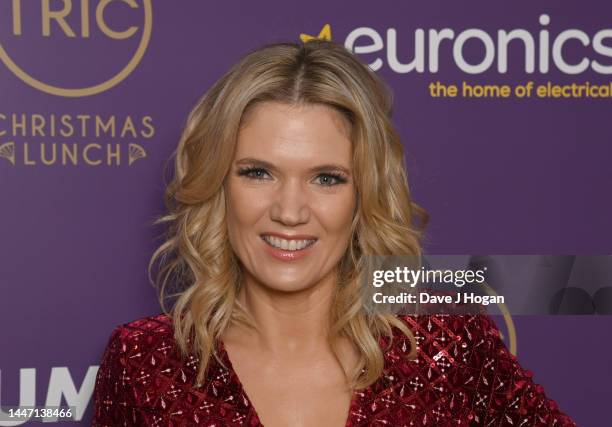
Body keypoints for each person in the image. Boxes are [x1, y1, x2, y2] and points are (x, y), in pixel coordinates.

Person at [91, 40, 575, 426]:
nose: (290, 211)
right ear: (219, 183)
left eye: (326, 178)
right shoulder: (144, 362)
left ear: (364, 196)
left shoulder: (449, 350)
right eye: (258, 172)